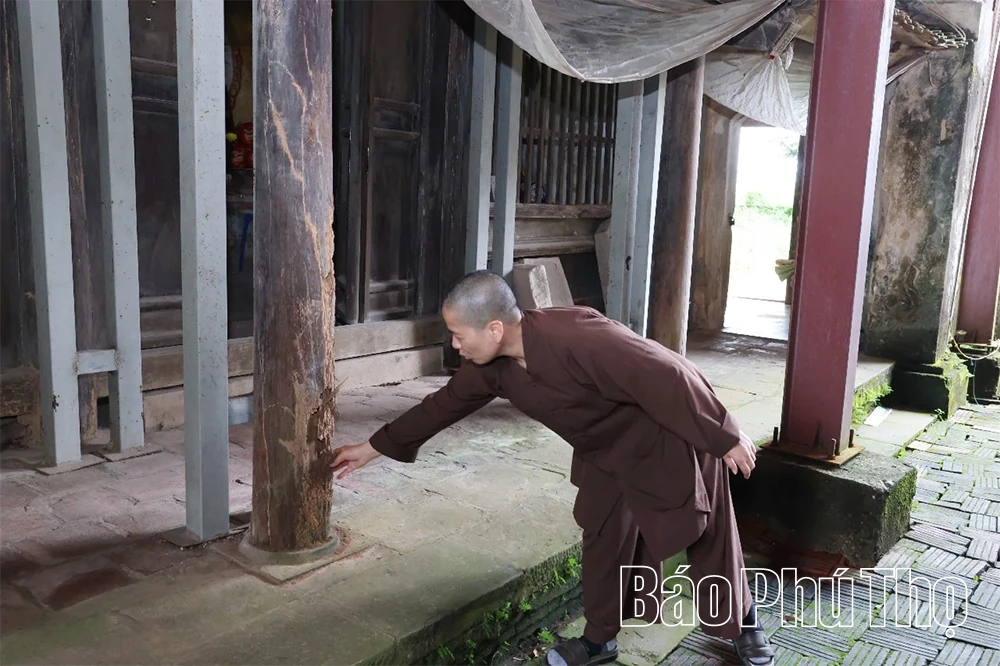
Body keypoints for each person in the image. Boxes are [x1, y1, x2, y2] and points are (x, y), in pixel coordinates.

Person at [331, 270, 775, 666]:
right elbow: (441, 406)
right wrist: (372, 447)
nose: (455, 345)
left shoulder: (578, 334)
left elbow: (668, 371)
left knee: (706, 532)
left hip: (666, 436)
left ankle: (744, 620)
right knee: (603, 538)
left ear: (494, 327)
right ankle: (600, 642)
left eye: (458, 334)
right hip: (606, 452)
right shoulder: (491, 367)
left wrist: (724, 434)